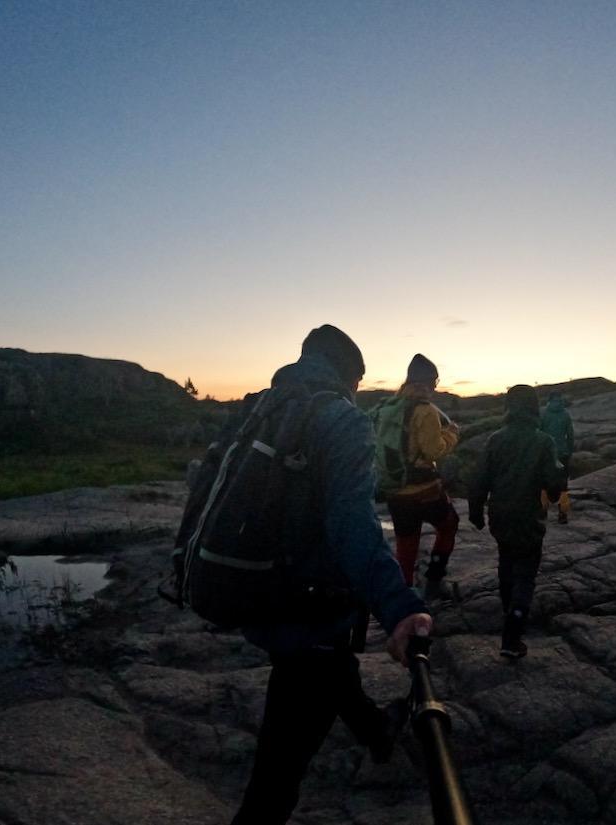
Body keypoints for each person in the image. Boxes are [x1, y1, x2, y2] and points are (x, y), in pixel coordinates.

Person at [231, 325, 432, 825]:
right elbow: (353, 526)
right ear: (351, 375)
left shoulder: (258, 409)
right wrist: (401, 607)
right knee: (275, 780)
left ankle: (377, 730)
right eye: (359, 382)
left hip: (257, 594)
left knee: (335, 669)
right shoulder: (339, 418)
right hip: (310, 608)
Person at [468, 384, 563, 659]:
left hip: (499, 516)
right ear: (534, 408)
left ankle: (509, 609)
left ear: (508, 407)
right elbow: (553, 482)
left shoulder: (495, 439)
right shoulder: (544, 441)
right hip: (529, 516)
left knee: (506, 564)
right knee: (526, 575)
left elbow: (479, 479)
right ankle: (513, 633)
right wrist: (555, 493)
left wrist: (475, 512)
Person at [379, 353, 460, 598]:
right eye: (435, 382)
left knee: (406, 541)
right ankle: (434, 580)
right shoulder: (425, 410)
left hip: (394, 488)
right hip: (423, 489)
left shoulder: (389, 406)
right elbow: (434, 450)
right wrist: (452, 434)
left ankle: (404, 596)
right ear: (429, 381)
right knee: (449, 525)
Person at [539, 391, 575, 524]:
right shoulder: (566, 414)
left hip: (546, 453)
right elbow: (570, 435)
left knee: (543, 483)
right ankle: (563, 513)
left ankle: (542, 511)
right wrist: (569, 451)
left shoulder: (543, 413)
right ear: (560, 399)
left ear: (549, 400)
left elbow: (539, 433)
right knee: (563, 484)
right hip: (563, 453)